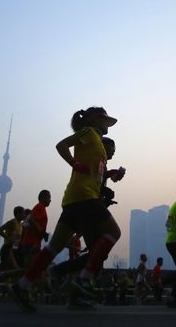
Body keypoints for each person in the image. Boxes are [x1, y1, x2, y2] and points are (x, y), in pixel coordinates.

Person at [11, 107, 124, 311]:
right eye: (104, 122)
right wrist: (73, 163)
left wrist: (111, 174)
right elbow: (61, 145)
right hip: (84, 197)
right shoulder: (89, 132)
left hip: (74, 199)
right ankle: (83, 280)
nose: (107, 127)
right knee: (113, 233)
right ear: (95, 120)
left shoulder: (96, 141)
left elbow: (94, 172)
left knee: (53, 247)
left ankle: (22, 285)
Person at [19, 191, 51, 267]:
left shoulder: (39, 207)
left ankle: (5, 275)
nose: (50, 200)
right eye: (49, 198)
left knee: (30, 269)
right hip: (31, 243)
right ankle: (4, 275)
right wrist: (41, 232)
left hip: (32, 242)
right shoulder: (40, 207)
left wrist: (43, 234)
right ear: (43, 198)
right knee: (32, 269)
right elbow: (31, 220)